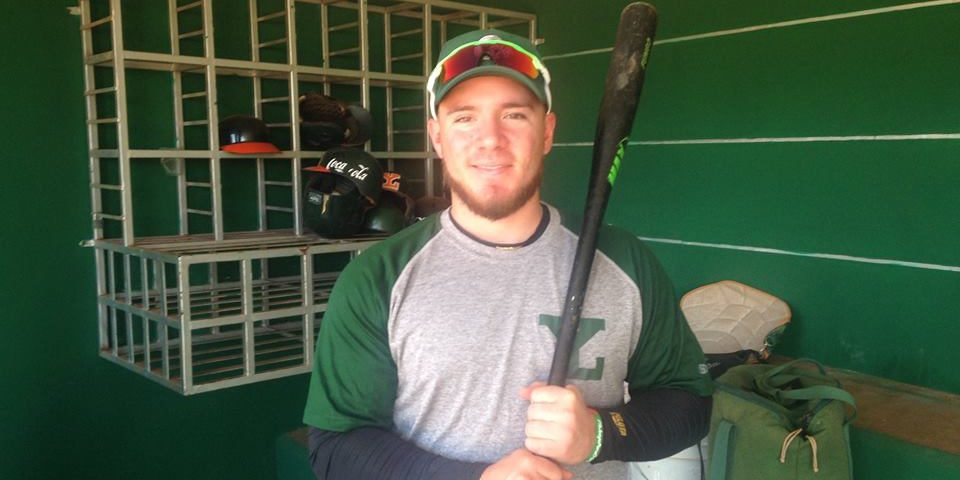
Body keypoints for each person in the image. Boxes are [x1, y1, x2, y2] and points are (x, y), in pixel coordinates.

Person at [302, 28, 713, 480]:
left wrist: (600, 433)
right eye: (464, 118)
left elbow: (689, 403)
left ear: (547, 132)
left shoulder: (624, 261)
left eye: (514, 115)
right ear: (437, 136)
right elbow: (336, 446)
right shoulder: (379, 278)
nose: (490, 139)